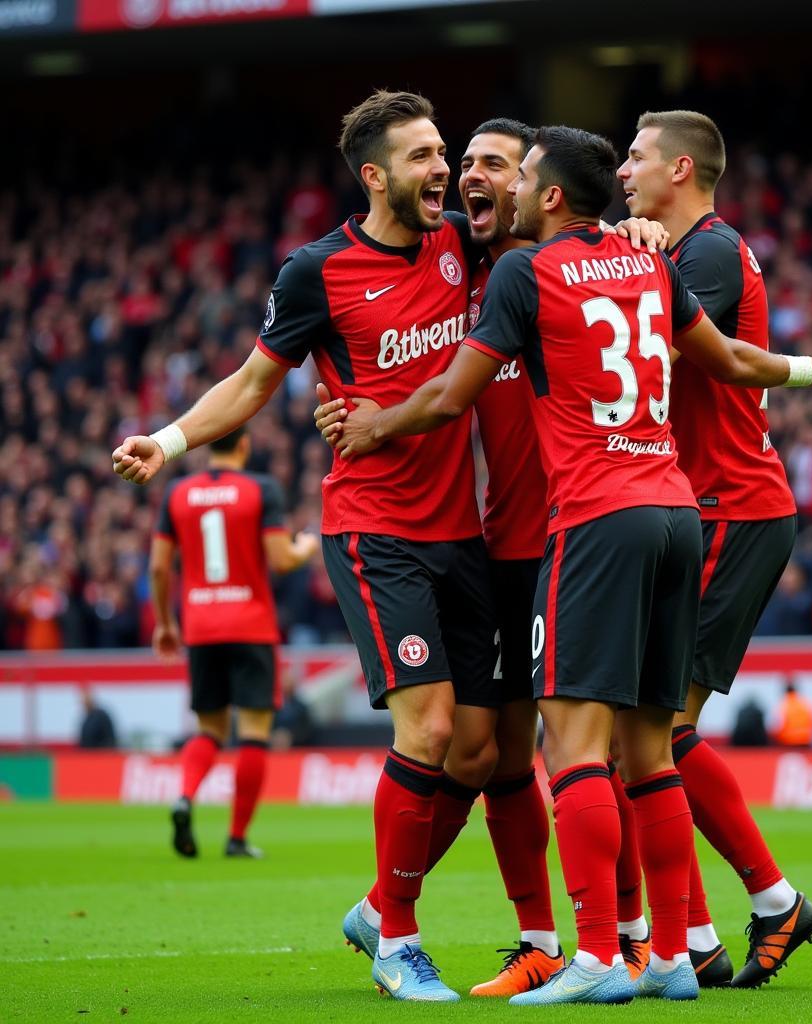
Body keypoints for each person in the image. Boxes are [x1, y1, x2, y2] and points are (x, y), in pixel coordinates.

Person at [330, 125, 812, 1004]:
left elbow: (446, 395)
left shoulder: (523, 273)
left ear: (546, 195)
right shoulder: (651, 263)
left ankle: (594, 956)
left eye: (514, 174)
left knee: (573, 745)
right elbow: (733, 360)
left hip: (590, 521)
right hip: (673, 509)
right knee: (651, 750)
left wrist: (376, 425)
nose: (491, 189)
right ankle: (670, 952)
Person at [117, 89, 510, 1003]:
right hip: (376, 529)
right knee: (433, 726)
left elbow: (559, 226)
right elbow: (254, 381)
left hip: (465, 529)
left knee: (482, 753)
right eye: (420, 156)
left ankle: (379, 903)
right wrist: (168, 442)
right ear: (374, 175)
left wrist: (637, 232)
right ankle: (399, 945)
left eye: (442, 152)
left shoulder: (465, 241)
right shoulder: (316, 272)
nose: (441, 169)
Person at [320, 120, 669, 996]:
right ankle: (542, 939)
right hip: (499, 548)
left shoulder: (555, 267)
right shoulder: (473, 272)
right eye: (462, 164)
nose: (472, 181)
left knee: (585, 753)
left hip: (572, 537)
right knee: (491, 757)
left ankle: (630, 942)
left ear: (537, 188)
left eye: (493, 167)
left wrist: (639, 226)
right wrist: (349, 409)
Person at [617, 109, 812, 989]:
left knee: (660, 730)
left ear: (685, 168)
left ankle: (767, 905)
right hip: (704, 505)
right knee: (645, 733)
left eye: (636, 157)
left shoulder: (701, 252)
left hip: (728, 505)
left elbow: (646, 342)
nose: (625, 170)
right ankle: (695, 936)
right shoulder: (692, 248)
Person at [149, 426, 317, 858]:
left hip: (201, 626)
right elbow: (281, 560)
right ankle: (237, 837)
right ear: (244, 445)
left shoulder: (178, 493)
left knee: (209, 729)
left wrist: (167, 623)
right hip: (250, 624)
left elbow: (158, 569)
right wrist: (305, 547)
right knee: (254, 733)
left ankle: (185, 796)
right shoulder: (261, 489)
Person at [774, 681, 812, 747]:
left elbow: (779, 726)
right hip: (806, 740)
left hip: (788, 741)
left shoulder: (783, 705)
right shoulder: (806, 703)